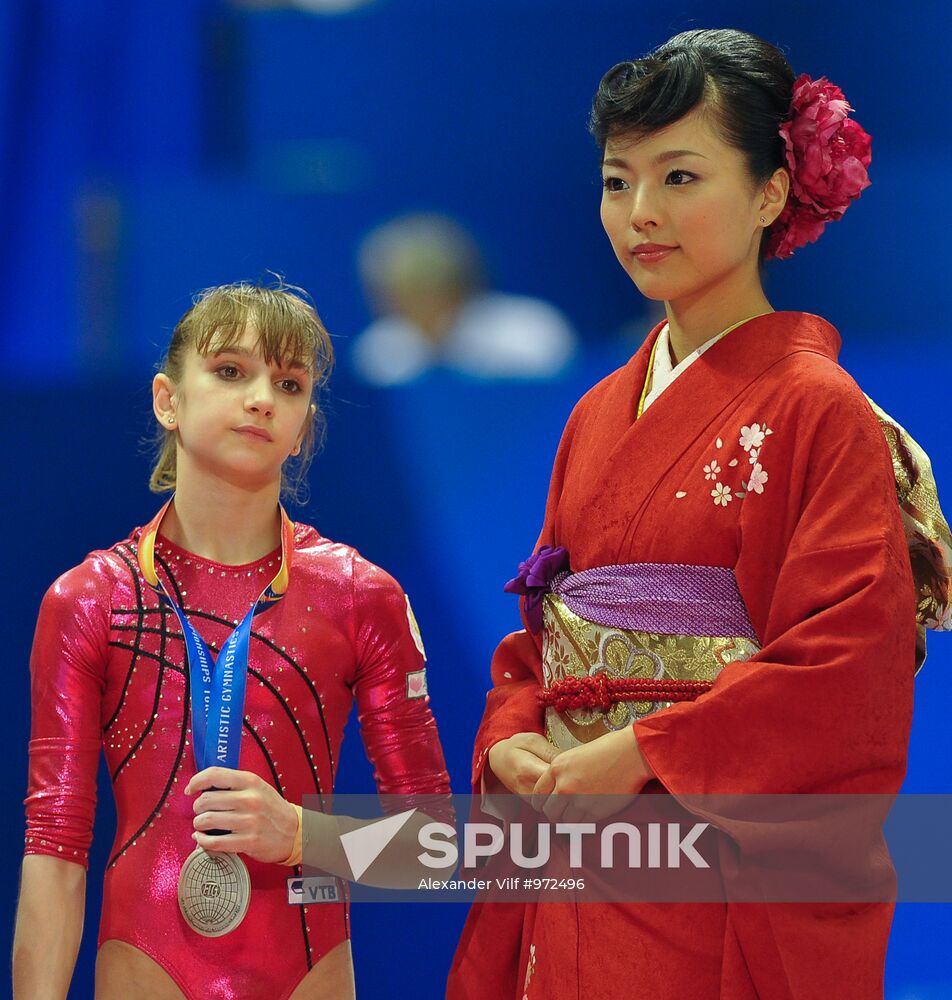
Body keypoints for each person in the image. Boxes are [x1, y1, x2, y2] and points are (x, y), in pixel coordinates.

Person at [447, 28, 951, 1000]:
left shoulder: (819, 409)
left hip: (709, 873)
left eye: (679, 176)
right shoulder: (596, 412)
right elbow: (543, 632)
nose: (640, 212)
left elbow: (847, 665)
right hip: (579, 843)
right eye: (616, 181)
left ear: (770, 192)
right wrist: (514, 728)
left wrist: (644, 750)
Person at [13, 281, 451, 999]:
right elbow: (55, 849)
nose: (261, 399)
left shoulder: (359, 595)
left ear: (304, 427)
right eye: (229, 371)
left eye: (289, 383)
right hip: (144, 972)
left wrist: (302, 835)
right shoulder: (91, 599)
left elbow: (433, 848)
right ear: (168, 399)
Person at [351, 213, 577, 386]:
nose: (405, 305)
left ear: (456, 284)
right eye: (396, 293)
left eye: (425, 287)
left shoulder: (531, 331)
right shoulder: (377, 349)